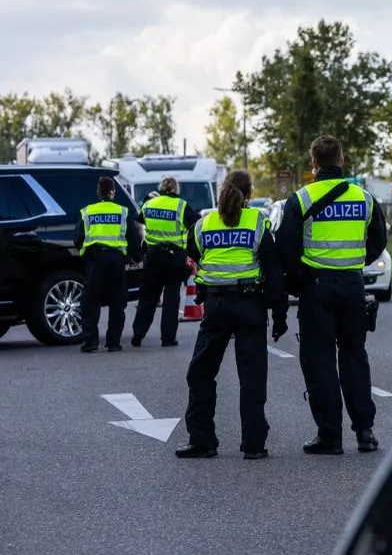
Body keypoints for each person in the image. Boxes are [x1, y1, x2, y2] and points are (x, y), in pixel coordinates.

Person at [276, 135, 387, 455]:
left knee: (319, 360)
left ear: (314, 163)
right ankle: (365, 431)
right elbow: (378, 241)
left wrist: (300, 278)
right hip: (353, 286)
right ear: (342, 160)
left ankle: (330, 436)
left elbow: (285, 247)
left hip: (317, 288)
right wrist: (354, 262)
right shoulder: (364, 198)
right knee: (355, 356)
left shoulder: (301, 199)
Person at [175, 171, 288, 460]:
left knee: (200, 373)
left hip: (216, 306)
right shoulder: (258, 221)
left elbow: (195, 254)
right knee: (252, 377)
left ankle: (201, 441)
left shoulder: (204, 224)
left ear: (222, 191)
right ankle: (254, 444)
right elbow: (273, 270)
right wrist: (279, 313)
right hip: (250, 305)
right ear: (249, 195)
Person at [74, 175, 145, 353]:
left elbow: (78, 238)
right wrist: (136, 257)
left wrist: (87, 256)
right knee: (117, 301)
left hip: (96, 259)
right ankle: (113, 342)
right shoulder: (123, 211)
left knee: (90, 300)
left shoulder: (87, 211)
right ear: (112, 192)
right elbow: (133, 238)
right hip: (116, 260)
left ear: (99, 192)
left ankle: (90, 341)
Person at [130, 176, 201, 347]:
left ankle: (138, 333)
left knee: (148, 297)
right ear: (176, 189)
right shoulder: (181, 205)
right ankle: (168, 338)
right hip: (174, 257)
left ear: (161, 188)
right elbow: (196, 223)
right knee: (171, 298)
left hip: (153, 256)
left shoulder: (149, 204)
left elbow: (140, 219)